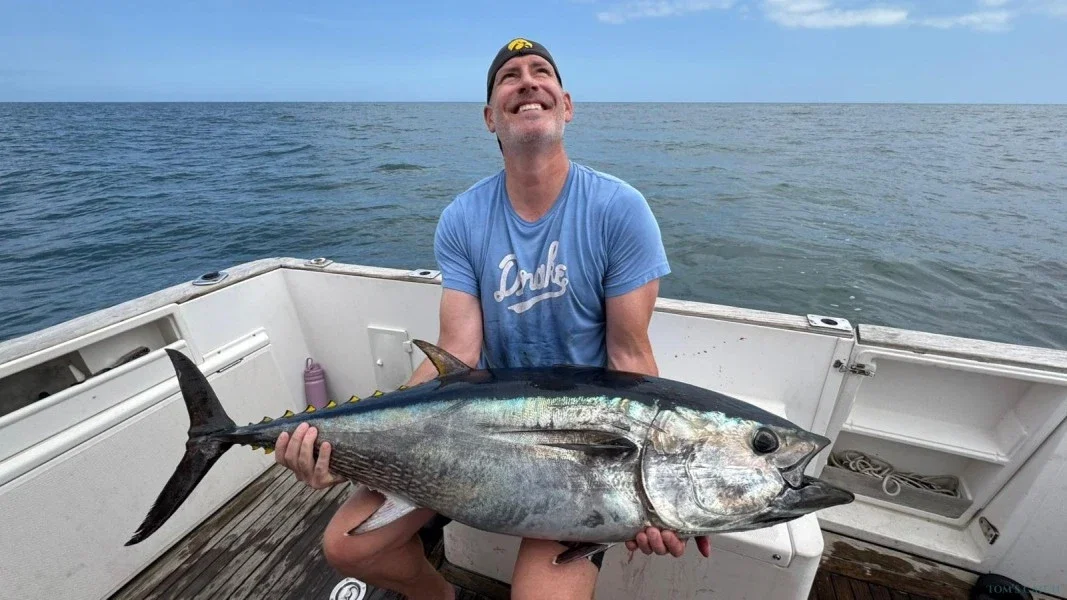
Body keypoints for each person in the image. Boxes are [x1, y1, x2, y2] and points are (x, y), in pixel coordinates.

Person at [274, 38, 710, 600]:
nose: (527, 81)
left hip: (577, 460)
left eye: (541, 71)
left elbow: (630, 359)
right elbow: (457, 351)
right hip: (472, 435)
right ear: (489, 118)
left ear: (566, 104)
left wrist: (658, 493)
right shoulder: (463, 217)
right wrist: (349, 445)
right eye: (509, 76)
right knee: (346, 547)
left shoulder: (619, 209)